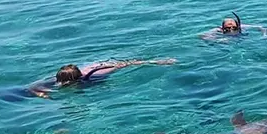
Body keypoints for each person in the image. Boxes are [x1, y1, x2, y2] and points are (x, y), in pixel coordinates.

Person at [28, 58, 176, 99]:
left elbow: (125, 64)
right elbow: (32, 87)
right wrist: (42, 94)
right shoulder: (56, 79)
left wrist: (156, 62)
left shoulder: (96, 74)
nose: (63, 84)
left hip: (103, 65)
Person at [201, 12, 267, 40]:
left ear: (237, 25)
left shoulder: (242, 26)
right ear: (222, 27)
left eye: (234, 27)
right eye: (228, 28)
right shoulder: (218, 30)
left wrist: (264, 35)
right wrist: (218, 40)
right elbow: (203, 36)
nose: (231, 28)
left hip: (241, 38)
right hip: (226, 40)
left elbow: (261, 27)